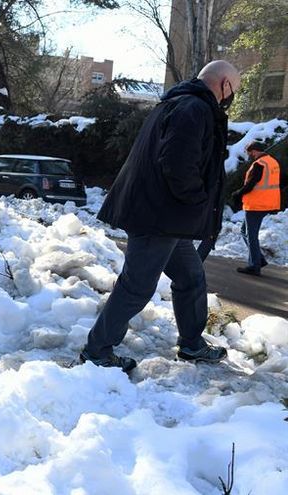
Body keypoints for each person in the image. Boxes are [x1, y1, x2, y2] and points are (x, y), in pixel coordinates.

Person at [80, 60, 240, 373]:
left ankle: (192, 344)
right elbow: (178, 164)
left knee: (191, 277)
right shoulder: (192, 108)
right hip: (159, 216)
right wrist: (198, 200)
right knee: (137, 286)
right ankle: (97, 350)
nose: (230, 98)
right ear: (223, 85)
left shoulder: (181, 104)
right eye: (232, 90)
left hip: (167, 216)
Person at [233, 141, 281, 276]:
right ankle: (258, 259)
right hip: (267, 203)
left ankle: (255, 266)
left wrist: (238, 193)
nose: (249, 155)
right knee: (245, 231)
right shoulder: (272, 162)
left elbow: (251, 184)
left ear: (254, 151)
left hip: (256, 204)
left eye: (249, 152)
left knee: (251, 235)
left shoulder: (259, 164)